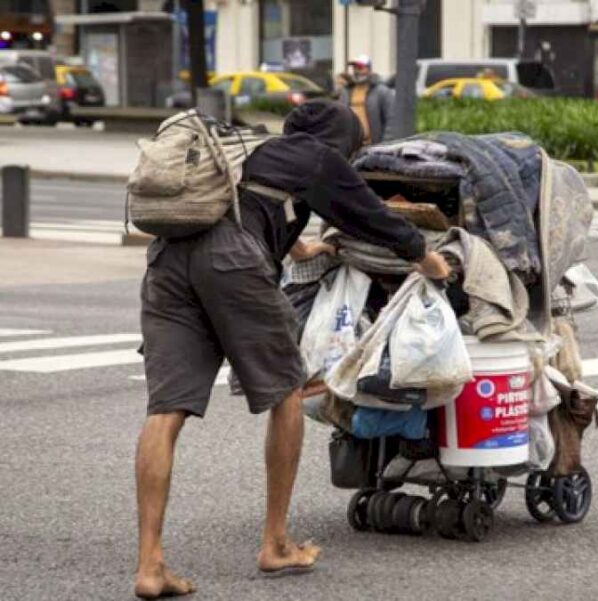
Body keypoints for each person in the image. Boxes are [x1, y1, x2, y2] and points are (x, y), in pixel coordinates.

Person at [133, 99, 450, 599]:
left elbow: (249, 207)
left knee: (165, 410)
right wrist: (426, 258)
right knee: (287, 392)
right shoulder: (320, 157)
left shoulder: (257, 150)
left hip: (168, 263)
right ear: (341, 138)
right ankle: (276, 543)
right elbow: (371, 218)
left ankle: (150, 566)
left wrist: (302, 248)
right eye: (355, 143)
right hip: (232, 262)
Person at [335, 54, 395, 145]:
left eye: (360, 67)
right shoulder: (346, 92)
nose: (357, 71)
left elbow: (391, 120)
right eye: (355, 68)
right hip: (352, 146)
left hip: (374, 145)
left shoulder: (382, 92)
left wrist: (385, 144)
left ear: (369, 70)